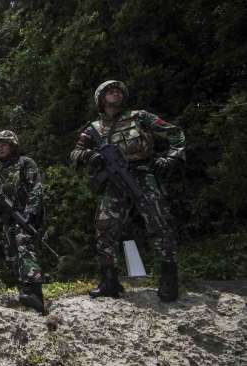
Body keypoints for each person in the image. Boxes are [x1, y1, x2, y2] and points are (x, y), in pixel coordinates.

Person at [70, 80, 185, 302]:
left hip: (142, 176)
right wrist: (88, 156)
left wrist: (171, 157)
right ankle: (109, 281)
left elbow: (174, 132)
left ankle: (169, 279)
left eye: (118, 91)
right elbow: (75, 152)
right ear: (101, 99)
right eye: (110, 91)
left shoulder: (139, 117)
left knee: (159, 223)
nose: (115, 93)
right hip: (113, 182)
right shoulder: (93, 128)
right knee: (104, 228)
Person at [0, 130, 46, 314]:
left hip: (24, 215)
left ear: (13, 146)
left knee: (24, 247)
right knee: (12, 255)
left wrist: (30, 212)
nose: (0, 148)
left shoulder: (25, 163)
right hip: (6, 220)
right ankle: (25, 294)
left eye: (4, 144)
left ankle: (35, 292)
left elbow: (36, 188)